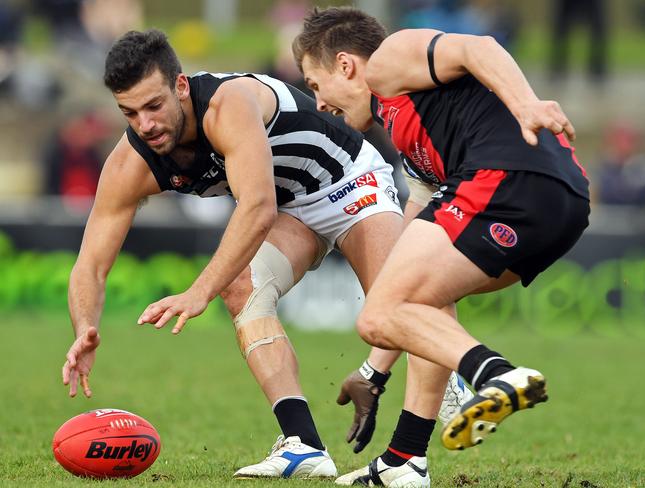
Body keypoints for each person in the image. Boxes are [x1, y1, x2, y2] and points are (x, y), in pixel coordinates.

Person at [60, 29, 468, 480]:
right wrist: (85, 328)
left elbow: (256, 208)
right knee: (242, 288)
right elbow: (91, 263)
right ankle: (303, 445)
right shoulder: (132, 160)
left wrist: (198, 291)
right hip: (293, 207)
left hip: (349, 180)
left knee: (399, 307)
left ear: (180, 86)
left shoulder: (226, 103)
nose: (145, 124)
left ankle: (423, 436)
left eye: (154, 106)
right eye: (129, 113)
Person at [293, 7, 590, 486]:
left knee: (375, 315)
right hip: (564, 203)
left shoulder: (387, 62)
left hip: (507, 177)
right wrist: (374, 373)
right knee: (416, 302)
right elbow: (404, 278)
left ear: (346, 65)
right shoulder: (418, 143)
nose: (320, 103)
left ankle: (495, 374)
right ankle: (404, 461)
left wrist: (525, 105)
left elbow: (480, 47)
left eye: (314, 83)